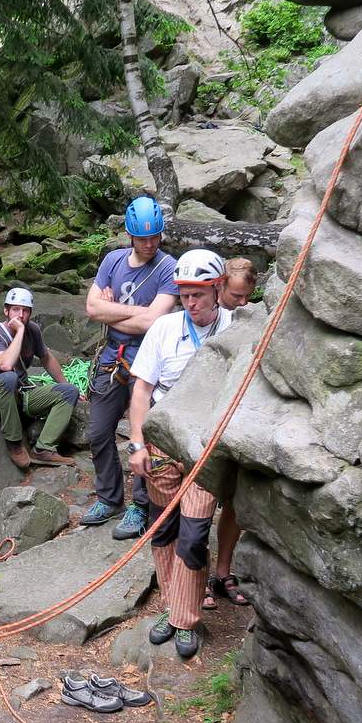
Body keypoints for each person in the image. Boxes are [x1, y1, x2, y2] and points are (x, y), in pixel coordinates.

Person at [126, 249, 232, 660]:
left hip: (206, 449)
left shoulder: (234, 329)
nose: (190, 303)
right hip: (163, 443)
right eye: (185, 295)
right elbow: (142, 390)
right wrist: (137, 444)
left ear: (218, 290)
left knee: (193, 534)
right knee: (164, 528)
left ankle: (186, 619)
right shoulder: (165, 328)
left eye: (198, 295)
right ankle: (172, 608)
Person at [81, 196, 180, 541]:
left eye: (154, 237)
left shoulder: (167, 267)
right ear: (130, 235)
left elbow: (154, 322)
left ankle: (140, 505)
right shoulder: (113, 260)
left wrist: (112, 311)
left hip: (148, 359)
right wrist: (136, 313)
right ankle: (109, 498)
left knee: (143, 434)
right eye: (142, 238)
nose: (150, 244)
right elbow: (91, 308)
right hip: (112, 357)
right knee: (98, 432)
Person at [0, 288, 79, 470]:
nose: (21, 315)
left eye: (25, 310)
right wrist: (20, 331)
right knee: (9, 377)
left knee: (69, 392)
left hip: (21, 393)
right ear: (6, 311)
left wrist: (64, 383)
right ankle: (14, 443)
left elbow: (46, 358)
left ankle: (43, 448)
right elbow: (5, 364)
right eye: (16, 309)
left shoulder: (33, 330)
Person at [206, 258, 258, 610]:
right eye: (236, 295)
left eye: (247, 296)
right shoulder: (207, 315)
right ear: (220, 286)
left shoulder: (251, 316)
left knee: (234, 504)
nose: (242, 302)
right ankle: (198, 576)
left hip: (236, 419)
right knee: (200, 505)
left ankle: (223, 571)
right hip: (206, 416)